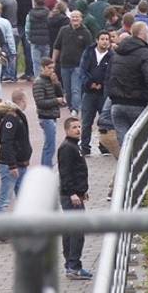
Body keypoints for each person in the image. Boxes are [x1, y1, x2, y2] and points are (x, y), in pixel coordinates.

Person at [106, 22, 148, 150]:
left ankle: (126, 169)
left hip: (117, 104)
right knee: (141, 146)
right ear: (143, 34)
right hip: (138, 103)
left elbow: (108, 76)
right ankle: (136, 169)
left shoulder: (118, 52)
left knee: (125, 146)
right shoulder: (146, 54)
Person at [58, 116, 94, 280]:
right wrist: (72, 192)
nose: (78, 130)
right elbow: (65, 173)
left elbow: (78, 171)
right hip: (70, 196)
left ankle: (70, 264)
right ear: (66, 130)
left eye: (79, 126)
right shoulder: (67, 148)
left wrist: (82, 190)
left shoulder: (74, 146)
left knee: (70, 229)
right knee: (76, 231)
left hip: (75, 194)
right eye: (74, 127)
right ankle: (74, 266)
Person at [0, 94, 32, 213]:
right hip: (12, 165)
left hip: (20, 164)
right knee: (4, 200)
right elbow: (6, 142)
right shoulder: (12, 118)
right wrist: (12, 165)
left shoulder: (17, 116)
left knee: (23, 199)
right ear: (22, 100)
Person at [52, 9, 93, 114]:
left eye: (77, 17)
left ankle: (75, 109)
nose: (75, 19)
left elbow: (89, 50)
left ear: (81, 19)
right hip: (64, 64)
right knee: (67, 90)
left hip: (78, 66)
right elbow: (57, 47)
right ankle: (71, 107)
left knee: (76, 88)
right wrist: (53, 61)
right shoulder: (63, 30)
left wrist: (89, 65)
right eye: (73, 17)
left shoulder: (86, 33)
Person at [78, 31, 112, 155]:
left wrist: (102, 84)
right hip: (89, 92)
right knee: (86, 120)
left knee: (104, 121)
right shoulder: (88, 53)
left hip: (104, 93)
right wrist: (89, 83)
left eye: (107, 39)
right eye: (102, 39)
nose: (105, 41)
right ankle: (85, 147)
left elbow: (110, 74)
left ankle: (104, 146)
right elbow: (82, 71)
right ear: (97, 40)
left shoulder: (111, 56)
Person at [32, 57, 65, 169]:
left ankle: (46, 167)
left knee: (50, 144)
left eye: (53, 68)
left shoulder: (51, 80)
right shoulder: (38, 83)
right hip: (45, 117)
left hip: (52, 115)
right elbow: (40, 102)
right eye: (49, 68)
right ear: (42, 68)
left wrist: (56, 83)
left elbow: (60, 94)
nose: (52, 70)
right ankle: (46, 168)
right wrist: (56, 101)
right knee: (49, 146)